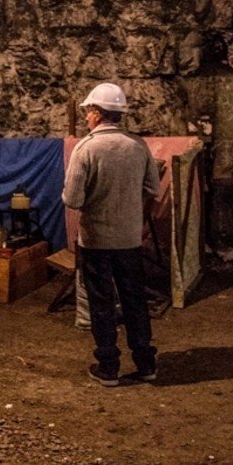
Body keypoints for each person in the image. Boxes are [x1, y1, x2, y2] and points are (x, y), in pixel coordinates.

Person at [63, 83, 161, 387]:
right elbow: (152, 189)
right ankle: (145, 363)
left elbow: (73, 199)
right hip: (129, 238)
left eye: (88, 112)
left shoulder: (86, 148)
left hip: (97, 241)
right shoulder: (137, 145)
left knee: (101, 302)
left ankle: (109, 366)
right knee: (135, 300)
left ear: (95, 113)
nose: (86, 117)